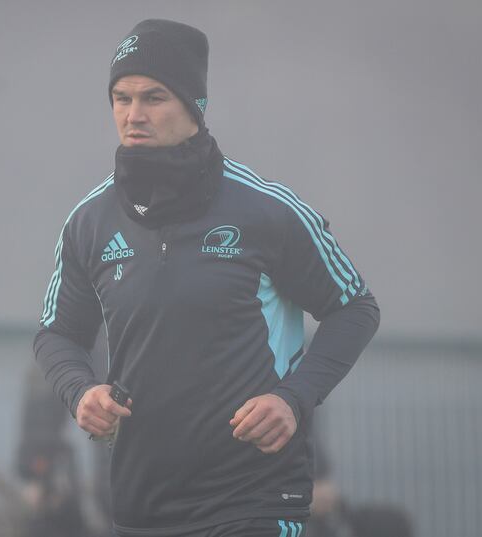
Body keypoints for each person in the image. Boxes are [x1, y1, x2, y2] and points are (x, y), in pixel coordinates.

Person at [34, 19, 380, 537]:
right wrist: (81, 391)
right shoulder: (88, 221)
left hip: (254, 498)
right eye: (121, 98)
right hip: (141, 505)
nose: (134, 115)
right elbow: (56, 334)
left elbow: (355, 308)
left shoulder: (267, 211)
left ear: (195, 107)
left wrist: (294, 397)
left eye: (154, 97)